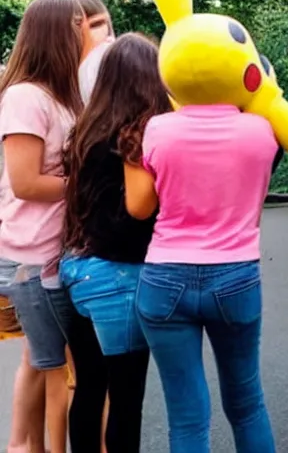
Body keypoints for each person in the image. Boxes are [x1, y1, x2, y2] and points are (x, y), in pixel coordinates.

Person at [124, 70, 281, 453]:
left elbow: (141, 205)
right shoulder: (261, 130)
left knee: (187, 418)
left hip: (164, 278)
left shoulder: (158, 128)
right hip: (236, 276)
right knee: (247, 404)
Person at [55, 33, 170, 452]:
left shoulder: (85, 129)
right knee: (126, 401)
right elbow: (140, 210)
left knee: (89, 387)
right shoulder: (138, 135)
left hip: (76, 269)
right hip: (118, 278)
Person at [0, 0, 85, 453]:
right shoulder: (26, 97)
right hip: (33, 258)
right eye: (77, 26)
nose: (83, 36)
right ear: (56, 34)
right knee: (60, 369)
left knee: (44, 361)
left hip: (57, 253)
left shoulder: (61, 95)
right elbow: (26, 182)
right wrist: (87, 182)